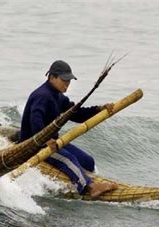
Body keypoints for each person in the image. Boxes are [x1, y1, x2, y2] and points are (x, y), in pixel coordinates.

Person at [20, 60, 117, 198]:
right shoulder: (42, 95)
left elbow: (76, 114)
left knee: (88, 161)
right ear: (52, 77)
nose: (67, 84)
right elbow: (35, 121)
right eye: (64, 80)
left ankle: (82, 176)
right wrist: (46, 140)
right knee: (68, 159)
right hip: (35, 145)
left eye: (69, 81)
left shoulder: (59, 97)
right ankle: (90, 186)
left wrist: (99, 109)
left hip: (53, 141)